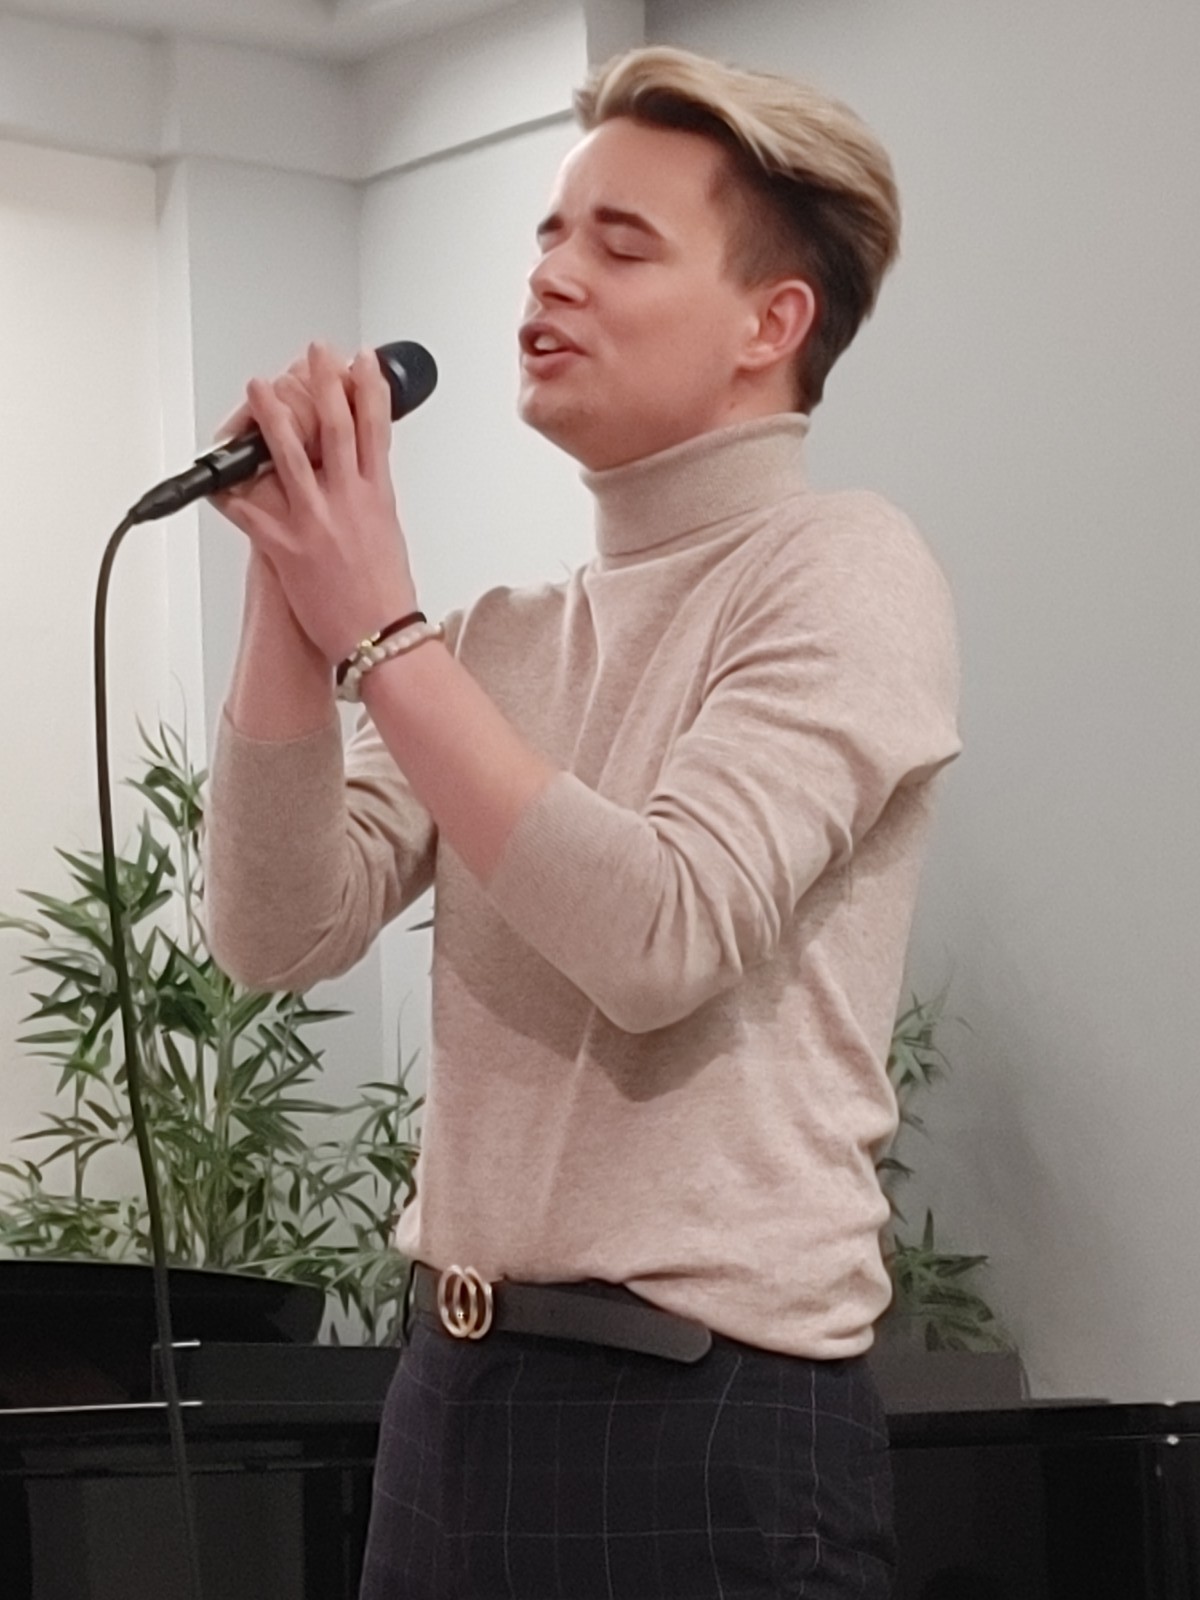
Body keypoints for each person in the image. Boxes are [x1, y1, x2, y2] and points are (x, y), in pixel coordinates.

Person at [205, 45, 960, 1600]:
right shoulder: (494, 640)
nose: (553, 275)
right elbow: (276, 930)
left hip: (703, 1413)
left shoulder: (845, 568)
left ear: (770, 323)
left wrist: (379, 632)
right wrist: (292, 585)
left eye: (621, 244)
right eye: (551, 234)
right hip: (448, 1395)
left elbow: (662, 934)